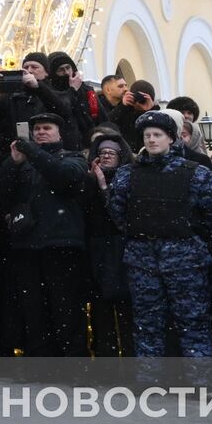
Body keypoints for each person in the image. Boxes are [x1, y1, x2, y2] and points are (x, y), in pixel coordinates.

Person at [107, 111, 212, 361]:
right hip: (143, 259)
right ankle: (150, 378)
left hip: (186, 259)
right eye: (147, 135)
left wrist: (190, 239)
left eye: (157, 135)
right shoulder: (128, 174)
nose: (151, 140)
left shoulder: (196, 173)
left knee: (193, 323)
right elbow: (118, 214)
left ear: (171, 138)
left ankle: (199, 380)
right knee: (147, 323)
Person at [0, 112, 91, 357]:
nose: (41, 133)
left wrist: (34, 153)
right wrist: (13, 163)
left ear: (59, 133)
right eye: (36, 129)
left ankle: (73, 362)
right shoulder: (22, 161)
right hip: (27, 246)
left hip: (61, 244)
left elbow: (65, 178)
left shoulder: (73, 158)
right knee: (33, 309)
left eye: (47, 128)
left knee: (66, 308)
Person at [83, 133, 133, 358]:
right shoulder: (87, 181)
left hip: (121, 247)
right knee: (100, 307)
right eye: (102, 153)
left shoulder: (129, 178)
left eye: (111, 153)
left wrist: (104, 187)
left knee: (126, 307)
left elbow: (121, 217)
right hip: (96, 247)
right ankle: (106, 356)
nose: (105, 156)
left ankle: (130, 357)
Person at [0, 52, 85, 155]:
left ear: (46, 72)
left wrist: (38, 87)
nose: (29, 70)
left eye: (35, 67)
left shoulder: (54, 92)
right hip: (16, 152)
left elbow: (63, 109)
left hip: (48, 153)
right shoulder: (12, 95)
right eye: (26, 67)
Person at [109, 79, 157, 151]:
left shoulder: (157, 115)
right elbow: (108, 124)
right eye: (138, 97)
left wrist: (151, 110)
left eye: (144, 98)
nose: (140, 100)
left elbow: (158, 130)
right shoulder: (124, 112)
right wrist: (123, 106)